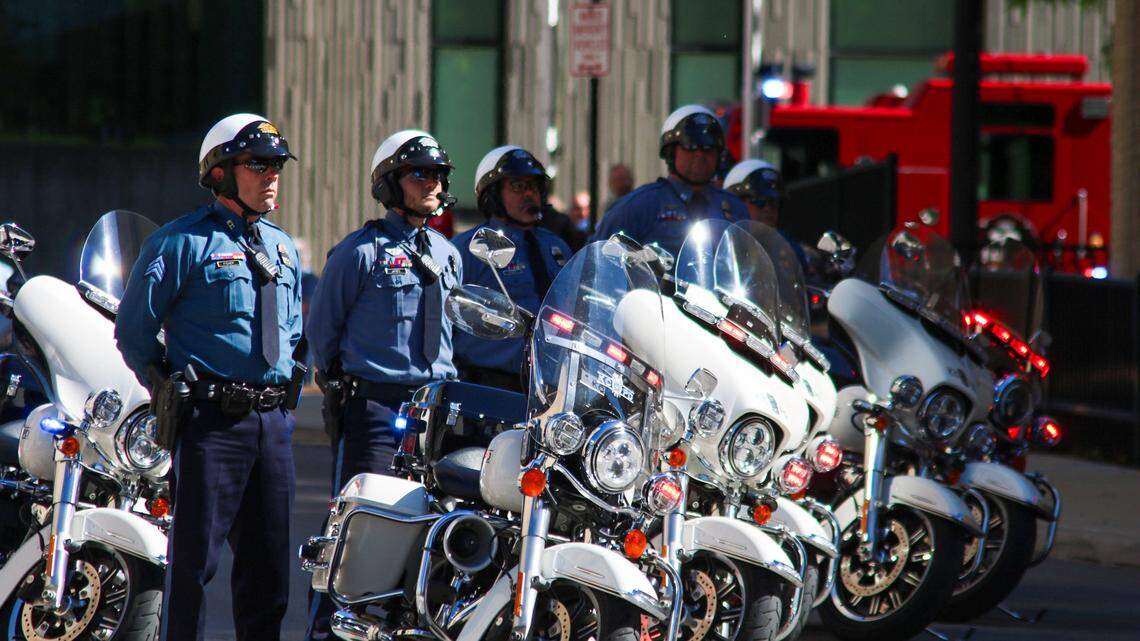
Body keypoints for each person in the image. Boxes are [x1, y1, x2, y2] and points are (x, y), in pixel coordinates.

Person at [114, 113, 303, 641]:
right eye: (258, 165)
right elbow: (133, 332)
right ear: (220, 173)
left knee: (270, 578)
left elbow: (292, 335)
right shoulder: (180, 243)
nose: (272, 176)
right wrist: (165, 387)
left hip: (274, 425)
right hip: (211, 426)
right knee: (193, 570)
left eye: (276, 166)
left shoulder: (283, 248)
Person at [303, 129, 462, 640]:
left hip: (435, 417)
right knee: (352, 540)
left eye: (438, 174)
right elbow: (322, 335)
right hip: (375, 412)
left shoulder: (448, 253)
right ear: (392, 184)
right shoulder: (358, 252)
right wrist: (341, 393)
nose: (434, 183)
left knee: (427, 541)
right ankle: (326, 634)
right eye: (421, 174)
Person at [452, 146, 571, 392]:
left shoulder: (556, 247)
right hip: (489, 387)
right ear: (492, 194)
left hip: (551, 386)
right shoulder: (469, 248)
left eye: (535, 186)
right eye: (518, 186)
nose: (530, 194)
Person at [591, 104, 750, 257]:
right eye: (691, 145)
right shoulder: (638, 206)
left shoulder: (735, 209)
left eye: (709, 147)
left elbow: (750, 268)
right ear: (670, 151)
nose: (700, 155)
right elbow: (597, 262)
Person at [723, 159, 810, 269]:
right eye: (759, 200)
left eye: (773, 202)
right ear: (734, 203)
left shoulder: (789, 248)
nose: (768, 208)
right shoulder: (718, 246)